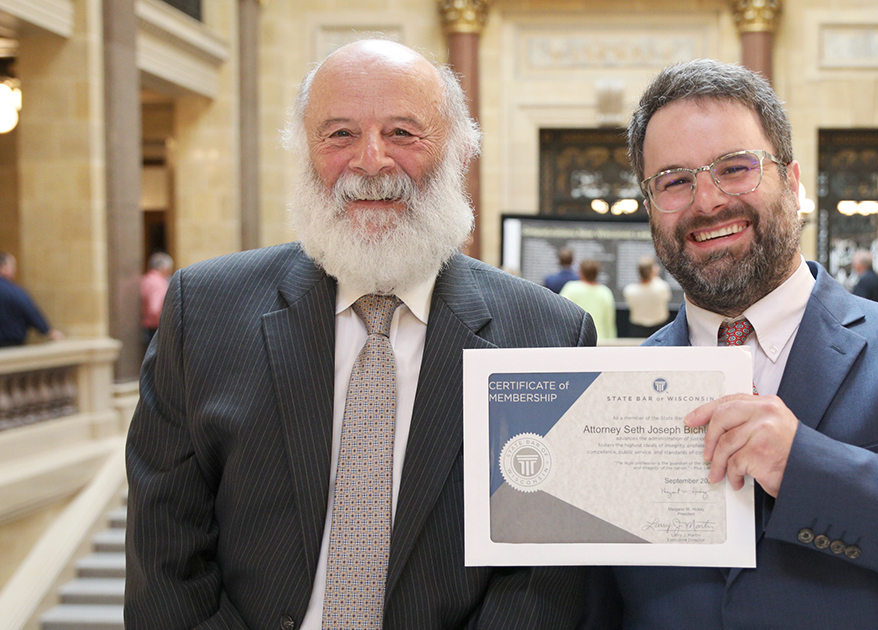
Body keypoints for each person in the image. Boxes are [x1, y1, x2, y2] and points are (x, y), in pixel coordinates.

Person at [125, 40, 595, 630]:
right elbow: (165, 551)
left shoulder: (548, 335)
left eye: (403, 132)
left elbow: (539, 583)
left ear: (457, 151)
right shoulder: (205, 312)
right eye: (340, 134)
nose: (371, 161)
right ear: (304, 152)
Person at [581, 59, 878, 629]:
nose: (707, 201)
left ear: (793, 182)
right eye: (675, 180)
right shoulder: (613, 394)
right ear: (651, 207)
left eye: (735, 168)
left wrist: (807, 469)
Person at [0, 252, 64, 347]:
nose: (15, 270)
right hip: (11, 344)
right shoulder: (14, 291)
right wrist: (47, 331)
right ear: (4, 267)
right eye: (13, 266)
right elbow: (30, 311)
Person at [560, 260, 616, 340]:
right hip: (600, 341)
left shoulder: (571, 288)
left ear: (581, 272)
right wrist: (611, 341)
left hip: (575, 340)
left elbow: (561, 314)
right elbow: (609, 322)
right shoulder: (605, 292)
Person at [622, 256, 671, 337]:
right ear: (652, 271)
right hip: (659, 328)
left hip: (637, 329)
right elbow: (666, 297)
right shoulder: (662, 287)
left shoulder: (630, 291)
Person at [139, 251, 173, 344]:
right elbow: (154, 308)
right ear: (164, 268)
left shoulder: (145, 279)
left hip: (146, 326)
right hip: (155, 327)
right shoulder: (159, 283)